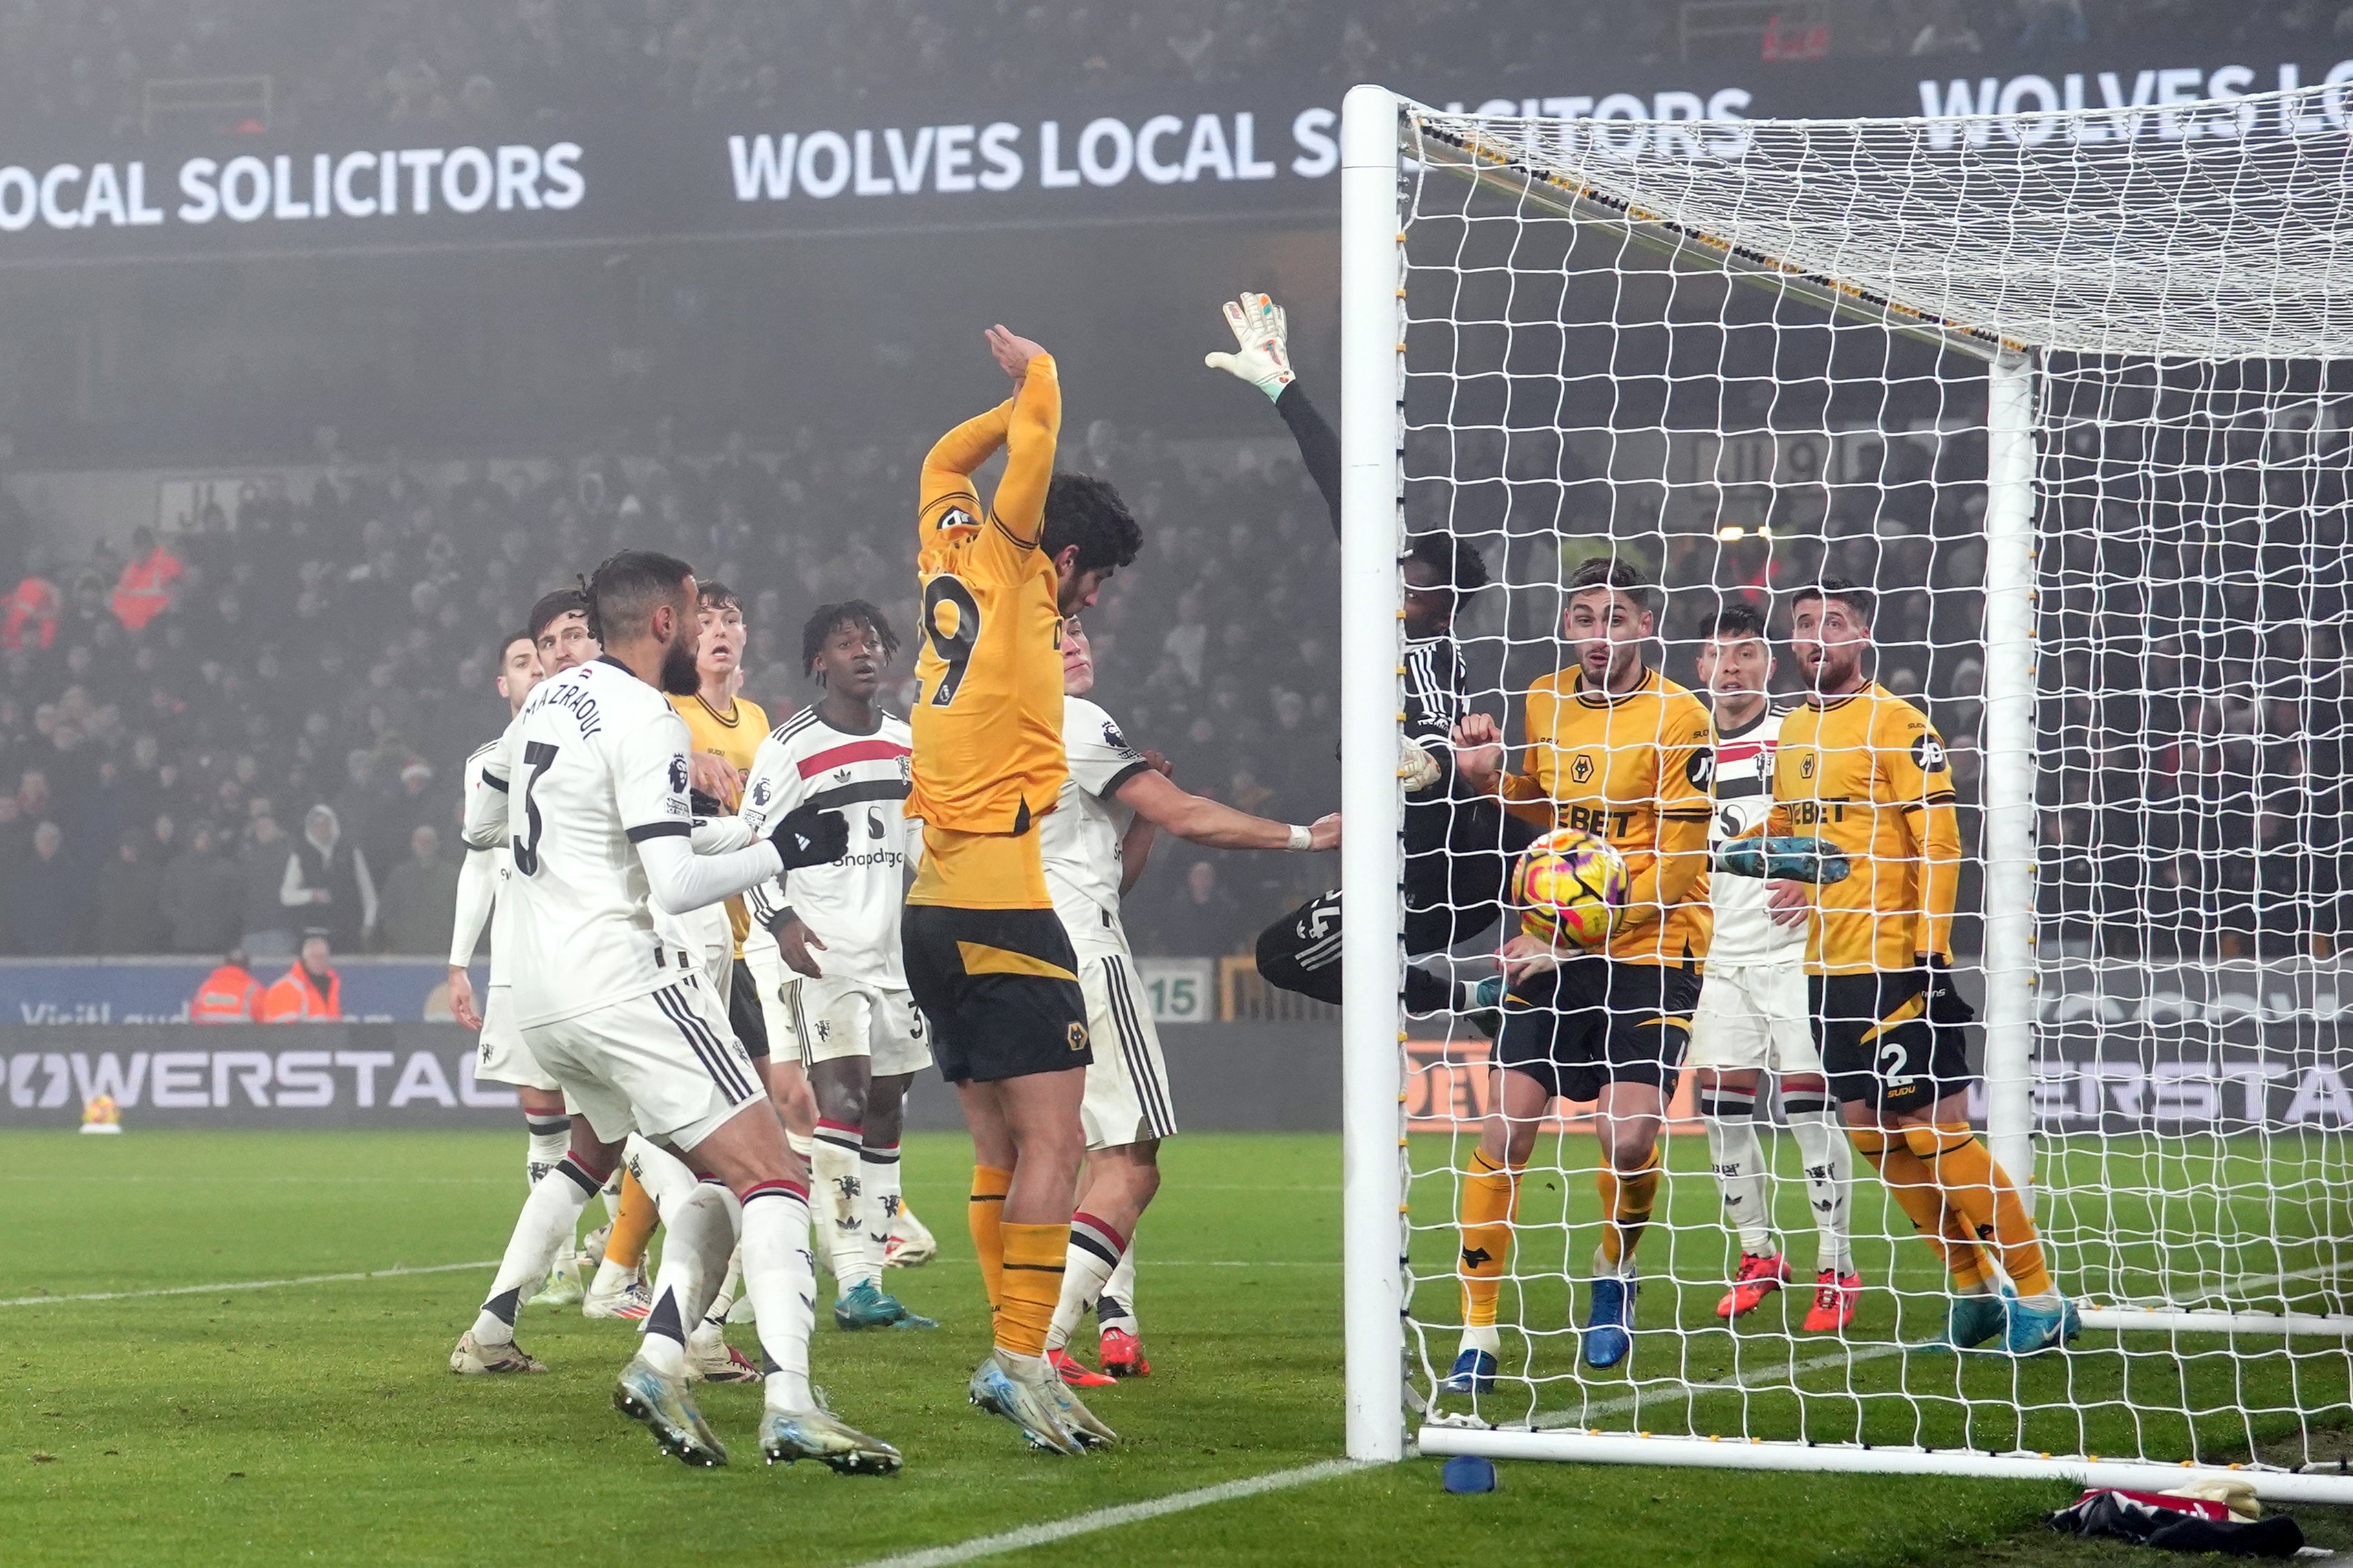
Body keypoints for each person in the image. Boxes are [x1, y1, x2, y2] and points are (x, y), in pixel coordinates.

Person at [449, 548, 892, 1473]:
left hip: (540, 996)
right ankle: (792, 1401)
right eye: (698, 615)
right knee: (775, 1169)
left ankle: (657, 1355)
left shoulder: (544, 700)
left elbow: (483, 825)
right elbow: (678, 881)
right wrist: (784, 849)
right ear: (666, 620)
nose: (705, 632)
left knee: (712, 1177)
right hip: (621, 984)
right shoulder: (647, 714)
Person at [903, 325, 1134, 1454]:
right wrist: (1037, 376)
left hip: (929, 908)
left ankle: (1017, 1352)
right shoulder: (1009, 561)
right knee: (1059, 1145)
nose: (1086, 604)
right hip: (1002, 900)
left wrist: (989, 420)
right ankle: (1022, 1353)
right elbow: (1027, 444)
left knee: (1000, 1152)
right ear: (1066, 553)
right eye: (1091, 581)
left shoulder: (945, 549)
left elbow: (946, 464)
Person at [1763, 579, 2072, 1354]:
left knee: (1935, 1132)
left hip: (1897, 959)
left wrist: (1931, 951)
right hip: (1825, 969)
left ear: (1862, 633)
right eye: (1804, 624)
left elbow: (1940, 841)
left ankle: (2039, 1295)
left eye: (1832, 621)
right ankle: (1972, 1289)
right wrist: (1778, 863)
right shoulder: (1794, 729)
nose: (1816, 635)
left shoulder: (1898, 723)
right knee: (1871, 1134)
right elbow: (1794, 829)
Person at [1210, 292, 1530, 1020]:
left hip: (1431, 871)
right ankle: (1471, 995)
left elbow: (1435, 746)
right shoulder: (1399, 631)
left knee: (1280, 956)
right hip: (1419, 869)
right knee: (1280, 955)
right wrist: (1282, 389)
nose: (1390, 587)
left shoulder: (1427, 651)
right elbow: (1343, 493)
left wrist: (1431, 761)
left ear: (1442, 602)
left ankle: (1581, 956)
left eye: (1408, 585)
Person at [1040, 620, 1337, 1386]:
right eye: (1055, 635)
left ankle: (1114, 1324)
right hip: (1088, 959)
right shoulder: (1075, 718)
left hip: (1031, 957)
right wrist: (1309, 836)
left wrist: (1137, 816)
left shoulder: (1010, 728)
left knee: (1099, 1152)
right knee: (1135, 1163)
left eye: (1078, 631)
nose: (1076, 642)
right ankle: (1037, 1344)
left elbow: (1111, 874)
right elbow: (1190, 815)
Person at [1448, 557, 1715, 1382]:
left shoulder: (1682, 716)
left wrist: (1573, 938)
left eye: (1618, 616)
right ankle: (1477, 1335)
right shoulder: (1543, 696)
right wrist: (1493, 781)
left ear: (1645, 626)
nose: (1600, 632)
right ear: (1568, 625)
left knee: (1629, 1136)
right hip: (1553, 936)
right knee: (1506, 1131)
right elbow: (1551, 811)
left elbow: (1678, 864)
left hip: (1651, 946)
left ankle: (1614, 1269)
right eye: (1585, 615)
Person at [738, 599, 932, 1332]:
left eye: (874, 640)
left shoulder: (904, 743)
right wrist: (779, 916)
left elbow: (917, 840)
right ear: (819, 661)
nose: (865, 651)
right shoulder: (789, 747)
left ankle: (867, 1275)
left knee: (888, 1102)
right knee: (843, 1098)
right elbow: (750, 842)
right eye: (846, 642)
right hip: (819, 949)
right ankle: (851, 1282)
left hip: (890, 952)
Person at [1686, 603, 1858, 1332]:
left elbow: (1836, 826)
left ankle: (1837, 1263)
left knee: (1808, 1108)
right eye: (1719, 654)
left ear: (1768, 663)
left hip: (1794, 953)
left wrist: (1812, 875)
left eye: (1747, 652)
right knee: (1720, 1107)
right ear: (1699, 667)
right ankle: (1758, 1250)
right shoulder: (1682, 746)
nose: (1732, 666)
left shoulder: (1794, 734)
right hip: (1720, 955)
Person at [281, 802, 376, 954]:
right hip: (313, 934)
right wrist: (312, 895)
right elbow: (286, 895)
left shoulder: (350, 851)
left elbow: (368, 891)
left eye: (325, 824)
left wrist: (369, 922)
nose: (321, 829)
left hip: (348, 932)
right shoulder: (300, 854)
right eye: (316, 825)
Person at [162, 823, 244, 955]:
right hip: (185, 940)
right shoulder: (177, 867)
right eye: (199, 837)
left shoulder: (227, 869)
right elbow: (167, 900)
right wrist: (182, 920)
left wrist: (221, 923)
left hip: (218, 941)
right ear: (192, 839)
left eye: (207, 838)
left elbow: (235, 902)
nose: (204, 841)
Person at [377, 825, 459, 954]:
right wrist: (395, 938)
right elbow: (386, 912)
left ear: (437, 844)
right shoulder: (400, 876)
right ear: (413, 845)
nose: (424, 845)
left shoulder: (453, 877)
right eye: (419, 841)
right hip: (406, 952)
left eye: (428, 841)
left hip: (443, 952)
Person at [92, 828, 167, 953]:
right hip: (114, 937)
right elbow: (103, 904)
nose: (130, 851)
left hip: (144, 938)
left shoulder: (153, 873)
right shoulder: (109, 873)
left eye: (134, 847)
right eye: (127, 847)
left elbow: (157, 904)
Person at [239, 816, 297, 959]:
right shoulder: (246, 857)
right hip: (251, 931)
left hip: (280, 929)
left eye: (266, 827)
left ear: (277, 830)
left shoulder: (289, 856)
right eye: (258, 828)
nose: (262, 831)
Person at [261, 931, 342, 1022]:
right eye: (314, 957)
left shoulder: (331, 986)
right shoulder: (285, 988)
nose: (320, 961)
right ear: (304, 959)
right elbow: (281, 1032)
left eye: (323, 956)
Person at [190, 948, 262, 1022]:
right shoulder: (254, 990)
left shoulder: (206, 986)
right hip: (240, 1033)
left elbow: (194, 1016)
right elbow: (262, 1021)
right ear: (247, 967)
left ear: (224, 965)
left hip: (206, 1033)